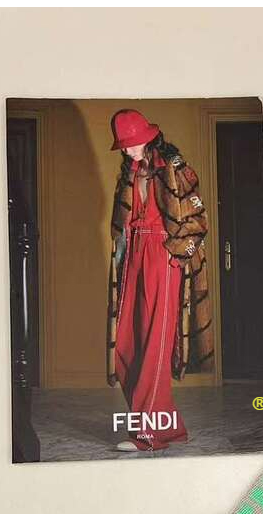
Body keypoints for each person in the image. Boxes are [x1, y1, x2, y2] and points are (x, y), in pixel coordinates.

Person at [106, 109, 213, 451]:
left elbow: (198, 221)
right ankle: (169, 428)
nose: (127, 150)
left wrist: (175, 254)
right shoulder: (129, 172)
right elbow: (122, 221)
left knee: (155, 343)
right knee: (125, 344)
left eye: (131, 143)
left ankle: (148, 434)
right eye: (123, 145)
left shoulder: (175, 168)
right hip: (133, 256)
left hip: (162, 255)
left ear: (148, 137)